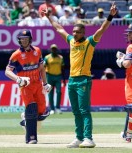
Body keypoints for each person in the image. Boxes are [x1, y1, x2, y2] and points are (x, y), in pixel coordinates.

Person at [42, 2, 117, 148]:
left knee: (84, 110)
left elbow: (102, 29)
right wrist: (49, 16)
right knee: (76, 111)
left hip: (83, 79)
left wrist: (110, 16)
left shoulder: (90, 42)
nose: (74, 33)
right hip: (72, 80)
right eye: (74, 31)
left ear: (83, 33)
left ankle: (89, 138)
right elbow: (59, 28)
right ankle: (79, 137)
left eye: (77, 32)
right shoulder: (71, 41)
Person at [5, 29, 52, 144]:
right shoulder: (16, 54)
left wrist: (45, 83)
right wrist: (18, 79)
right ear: (19, 40)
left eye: (26, 39)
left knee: (43, 111)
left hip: (37, 84)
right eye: (22, 39)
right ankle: (31, 138)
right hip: (25, 86)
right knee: (31, 108)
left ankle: (25, 119)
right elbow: (7, 71)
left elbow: (41, 68)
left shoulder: (37, 51)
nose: (24, 41)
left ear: (30, 40)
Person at [44, 44, 66, 115]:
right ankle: (52, 109)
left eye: (55, 49)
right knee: (50, 93)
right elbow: (43, 68)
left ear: (57, 50)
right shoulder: (47, 57)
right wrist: (43, 79)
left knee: (59, 92)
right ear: (50, 50)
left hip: (58, 76)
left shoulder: (60, 58)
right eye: (52, 49)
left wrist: (64, 79)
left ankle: (58, 108)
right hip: (49, 76)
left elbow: (62, 69)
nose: (54, 50)